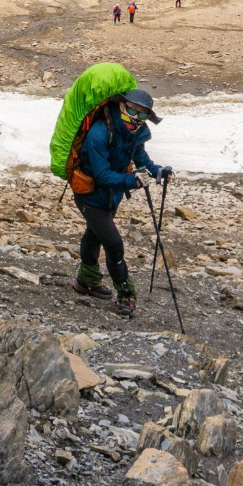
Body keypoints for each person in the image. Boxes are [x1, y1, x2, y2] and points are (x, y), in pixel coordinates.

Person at [72, 88, 171, 318]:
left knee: (94, 234)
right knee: (113, 243)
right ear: (121, 106)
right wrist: (132, 180)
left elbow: (142, 160)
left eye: (143, 115)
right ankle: (126, 293)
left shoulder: (135, 134)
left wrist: (158, 172)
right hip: (89, 194)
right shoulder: (99, 133)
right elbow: (102, 176)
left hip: (110, 196)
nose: (136, 119)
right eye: (132, 111)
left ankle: (85, 281)